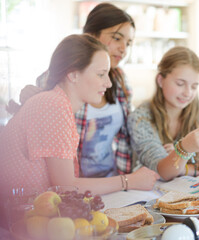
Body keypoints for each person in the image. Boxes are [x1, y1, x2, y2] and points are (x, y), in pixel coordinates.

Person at [10, 3, 160, 187]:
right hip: (79, 186)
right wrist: (127, 182)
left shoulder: (119, 80)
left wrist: (159, 152)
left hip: (108, 182)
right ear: (91, 36)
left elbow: (129, 133)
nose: (123, 49)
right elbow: (63, 181)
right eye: (117, 38)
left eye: (128, 43)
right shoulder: (56, 91)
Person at [128, 46, 199, 181]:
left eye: (194, 86)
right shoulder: (140, 118)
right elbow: (165, 171)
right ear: (160, 80)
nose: (188, 93)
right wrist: (185, 148)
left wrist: (185, 167)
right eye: (180, 84)